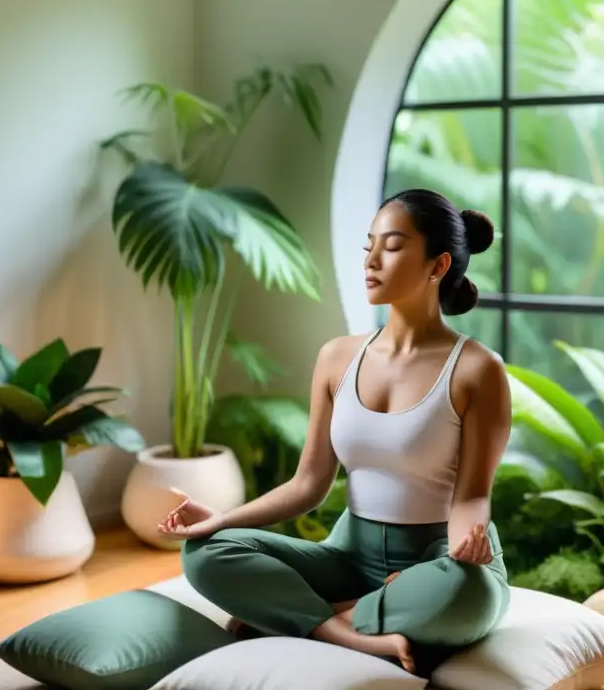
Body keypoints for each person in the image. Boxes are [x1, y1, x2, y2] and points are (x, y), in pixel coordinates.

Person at [156, 188, 512, 676]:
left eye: (392, 245)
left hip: (437, 556)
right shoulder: (337, 357)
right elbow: (309, 485)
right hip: (352, 553)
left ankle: (312, 614)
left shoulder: (477, 370)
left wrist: (466, 543)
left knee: (465, 593)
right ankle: (346, 630)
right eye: (369, 246)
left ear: (438, 265)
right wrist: (221, 521)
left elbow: (472, 495)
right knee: (205, 553)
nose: (371, 259)